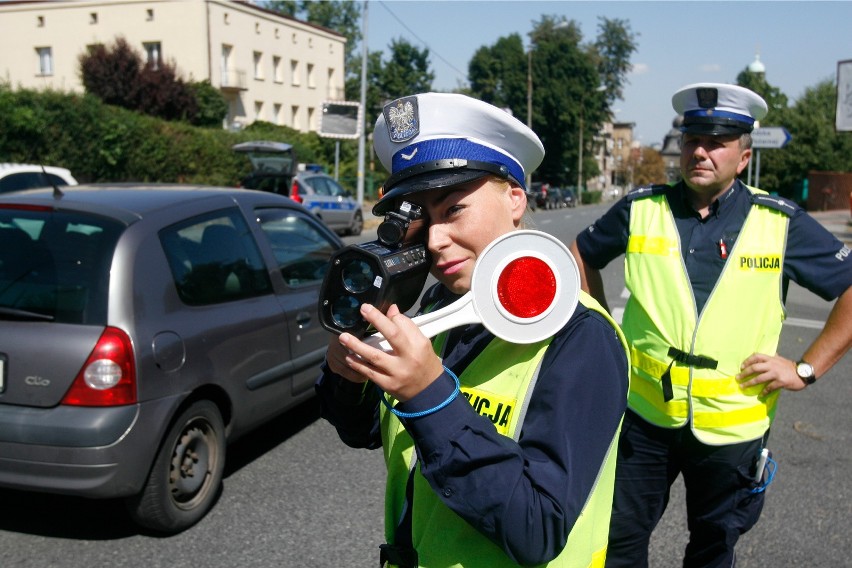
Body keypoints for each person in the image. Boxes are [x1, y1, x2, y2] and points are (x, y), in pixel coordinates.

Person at [316, 92, 630, 567]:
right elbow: (369, 434)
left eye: (453, 209)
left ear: (516, 199)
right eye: (421, 218)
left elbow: (539, 528)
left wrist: (430, 397)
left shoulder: (581, 335)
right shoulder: (443, 303)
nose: (436, 240)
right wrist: (350, 381)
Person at [569, 82, 852, 567]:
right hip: (645, 417)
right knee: (618, 543)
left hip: (733, 429)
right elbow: (581, 253)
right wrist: (597, 326)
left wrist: (805, 370)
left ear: (743, 158)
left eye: (716, 142)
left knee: (713, 549)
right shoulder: (642, 208)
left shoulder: (778, 221)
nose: (700, 151)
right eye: (692, 139)